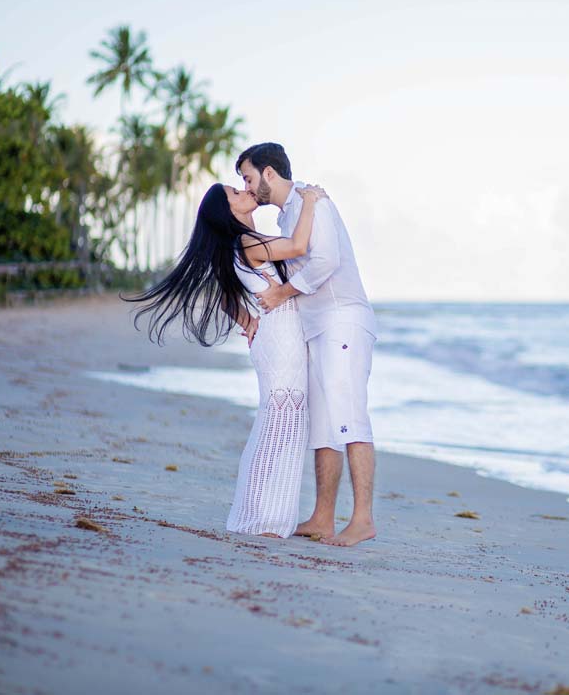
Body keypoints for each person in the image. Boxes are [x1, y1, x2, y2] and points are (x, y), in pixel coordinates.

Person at [124, 181, 327, 538]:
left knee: (281, 423)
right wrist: (310, 201)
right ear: (227, 211)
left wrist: (247, 321)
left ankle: (263, 516)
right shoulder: (247, 243)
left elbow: (223, 296)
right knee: (280, 424)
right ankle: (261, 519)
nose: (244, 192)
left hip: (277, 338)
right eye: (235, 193)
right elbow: (298, 245)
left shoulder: (240, 245)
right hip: (280, 341)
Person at [235, 142, 379, 547]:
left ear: (268, 173)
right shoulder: (289, 217)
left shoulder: (313, 203)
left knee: (350, 416)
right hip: (317, 327)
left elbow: (326, 260)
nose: (246, 185)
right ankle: (322, 517)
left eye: (248, 177)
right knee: (323, 426)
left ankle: (363, 518)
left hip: (343, 320)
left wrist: (281, 294)